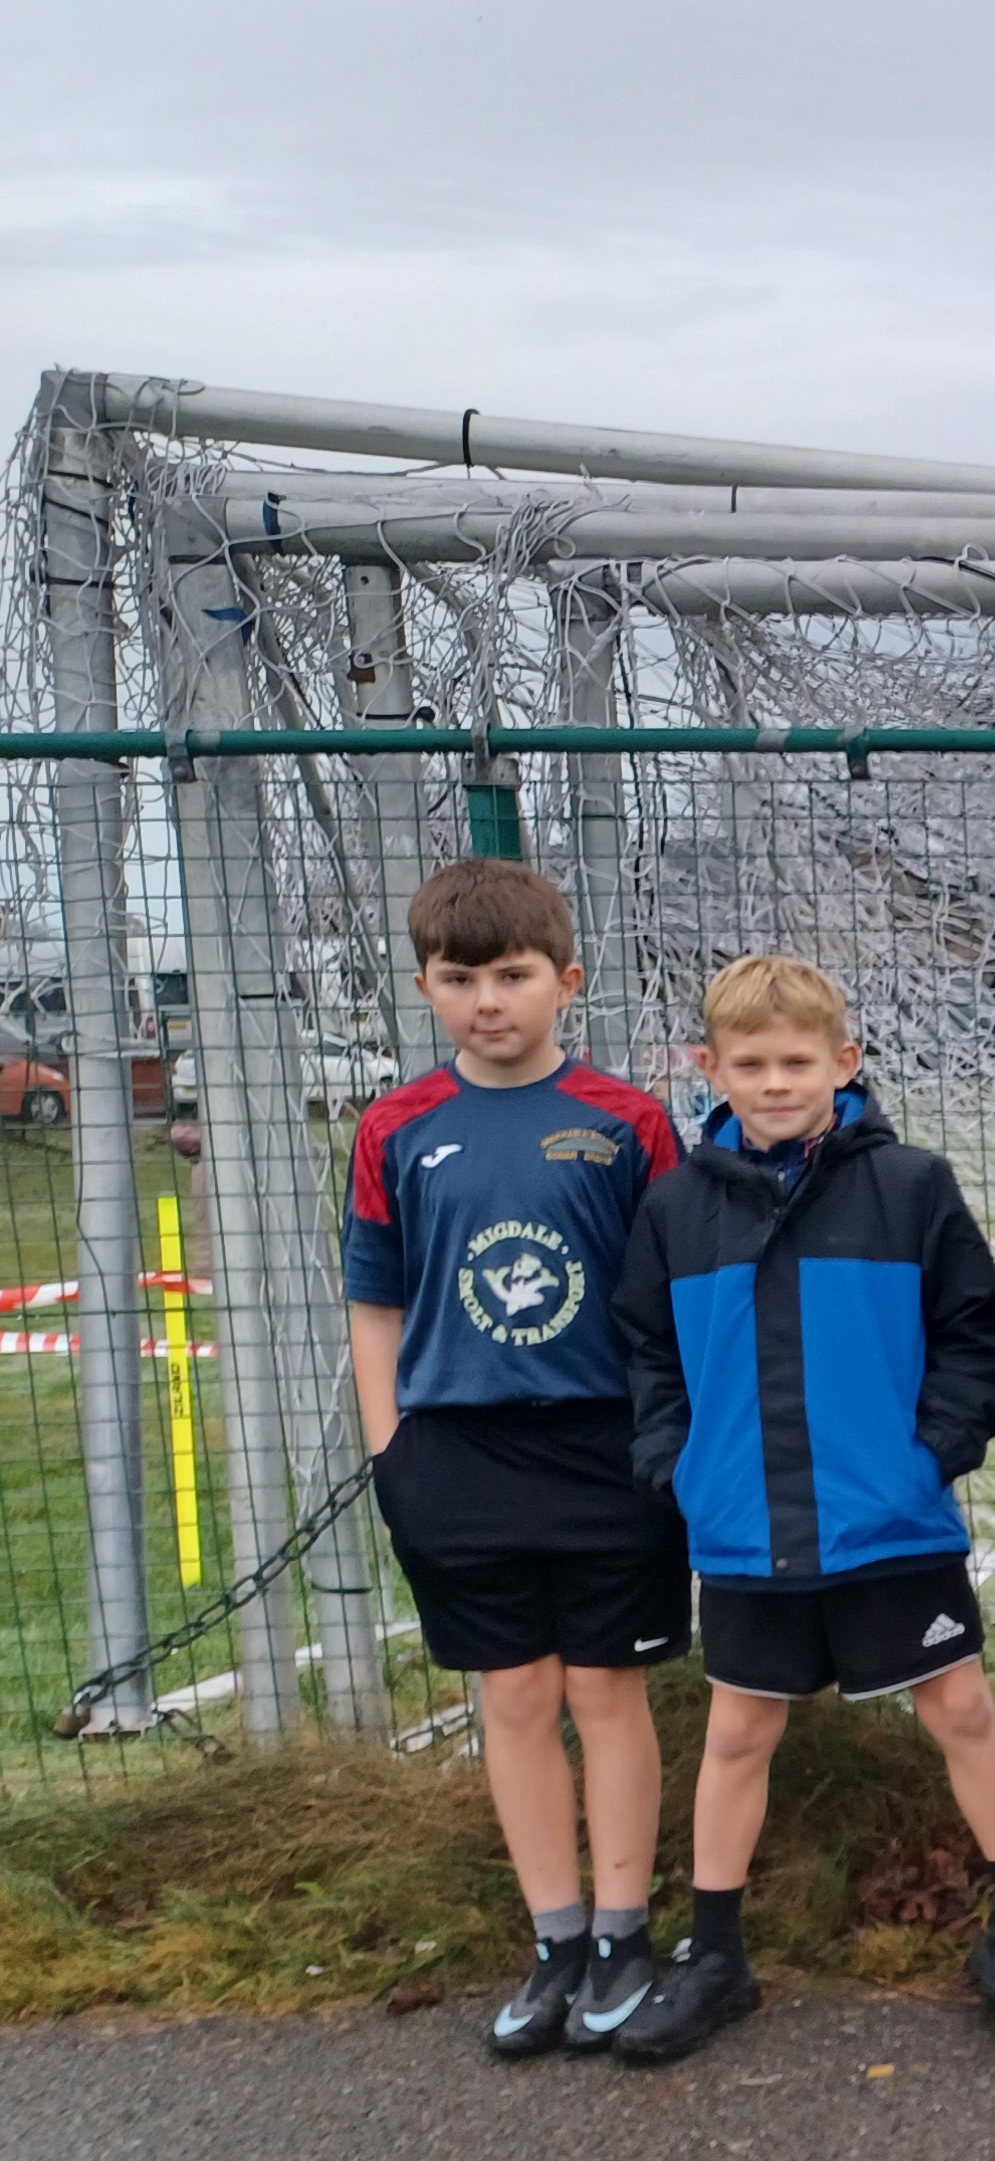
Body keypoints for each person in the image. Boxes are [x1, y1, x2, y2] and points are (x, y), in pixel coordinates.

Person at [610, 956, 995, 2065]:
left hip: (892, 1522)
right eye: (750, 1063)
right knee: (739, 1733)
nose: (776, 1081)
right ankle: (717, 1959)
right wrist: (677, 1463)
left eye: (799, 1060)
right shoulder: (675, 1207)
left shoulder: (912, 1186)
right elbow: (648, 1351)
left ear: (844, 1063)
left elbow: (977, 1328)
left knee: (961, 1711)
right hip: (744, 1527)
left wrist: (931, 1452)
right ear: (710, 1069)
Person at [344, 857, 691, 2058]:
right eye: (459, 978)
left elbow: (676, 1299)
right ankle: (552, 1939)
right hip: (459, 1455)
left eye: (512, 974)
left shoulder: (629, 1122)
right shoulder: (394, 1127)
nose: (488, 1000)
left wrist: (670, 1435)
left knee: (607, 1691)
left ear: (565, 981)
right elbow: (377, 1303)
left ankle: (623, 1931)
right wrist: (395, 1450)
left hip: (606, 1449)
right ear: (427, 987)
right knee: (518, 1695)